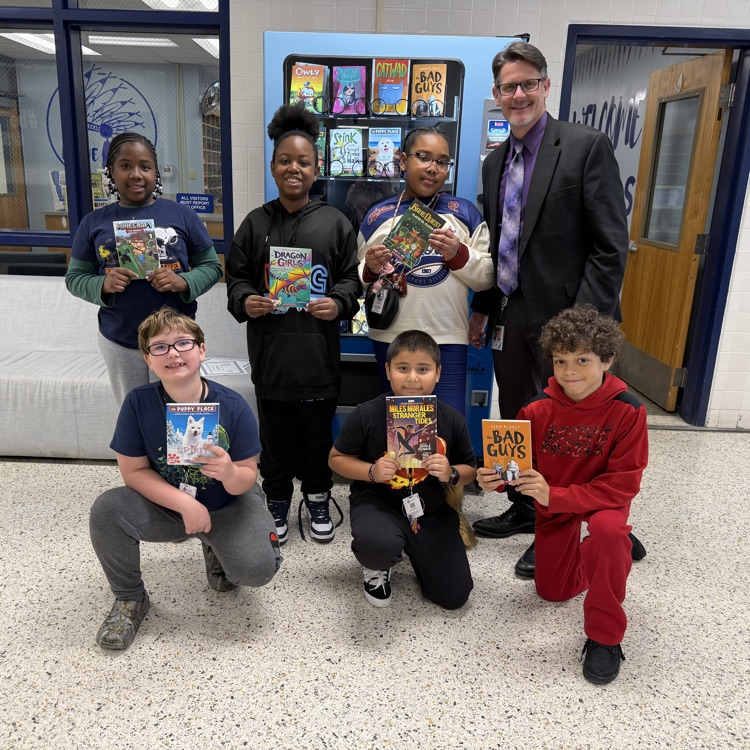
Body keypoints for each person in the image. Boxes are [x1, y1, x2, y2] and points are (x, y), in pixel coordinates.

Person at [469, 42, 631, 572]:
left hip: (569, 321)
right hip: (511, 315)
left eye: (527, 84)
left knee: (563, 430)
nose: (518, 95)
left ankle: (554, 524)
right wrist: (485, 306)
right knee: (520, 414)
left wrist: (582, 334)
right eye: (508, 87)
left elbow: (610, 246)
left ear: (544, 86)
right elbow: (500, 245)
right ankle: (522, 503)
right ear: (496, 96)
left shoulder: (585, 147)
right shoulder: (494, 163)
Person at [89, 308, 281, 651]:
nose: (173, 353)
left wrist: (229, 472)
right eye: (160, 347)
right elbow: (133, 471)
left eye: (183, 343)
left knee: (256, 570)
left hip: (228, 503)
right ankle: (130, 600)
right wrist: (184, 504)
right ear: (148, 360)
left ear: (202, 351)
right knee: (107, 510)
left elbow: (247, 478)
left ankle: (216, 546)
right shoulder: (138, 403)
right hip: (169, 505)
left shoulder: (233, 406)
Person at [477, 305, 647, 684]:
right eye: (560, 360)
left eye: (582, 360)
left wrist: (558, 496)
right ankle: (612, 550)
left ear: (607, 359)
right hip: (553, 502)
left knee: (607, 530)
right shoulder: (536, 409)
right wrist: (496, 479)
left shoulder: (629, 411)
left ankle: (604, 637)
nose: (570, 372)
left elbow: (623, 484)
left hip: (602, 502)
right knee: (552, 592)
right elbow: (514, 466)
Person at [225, 103, 361, 547]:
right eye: (285, 160)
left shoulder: (335, 222)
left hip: (318, 360)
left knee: (317, 439)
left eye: (303, 161)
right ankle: (278, 500)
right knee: (277, 443)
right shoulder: (255, 223)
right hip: (271, 361)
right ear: (272, 166)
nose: (294, 168)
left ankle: (318, 497)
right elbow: (237, 277)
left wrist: (338, 303)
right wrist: (247, 300)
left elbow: (351, 279)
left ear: (317, 168)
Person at [66, 132, 223, 407]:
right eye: (125, 166)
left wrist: (183, 281)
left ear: (156, 172)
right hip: (121, 340)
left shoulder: (182, 215)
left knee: (181, 415)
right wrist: (101, 285)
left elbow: (211, 267)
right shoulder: (94, 223)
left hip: (177, 340)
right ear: (111, 173)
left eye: (145, 166)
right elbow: (75, 278)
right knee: (135, 415)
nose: (136, 174)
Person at [329, 330, 477, 609]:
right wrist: (371, 471)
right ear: (387, 370)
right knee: (377, 544)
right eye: (402, 368)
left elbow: (471, 468)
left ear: (438, 373)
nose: (412, 378)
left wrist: (451, 473)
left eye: (423, 369)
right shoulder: (367, 414)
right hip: (378, 503)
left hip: (430, 509)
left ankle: (418, 550)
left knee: (454, 596)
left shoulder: (451, 419)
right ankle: (377, 566)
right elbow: (336, 459)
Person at [358, 126, 494, 415]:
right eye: (424, 157)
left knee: (447, 426)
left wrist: (458, 254)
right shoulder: (377, 217)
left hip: (447, 337)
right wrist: (370, 269)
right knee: (397, 430)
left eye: (442, 161)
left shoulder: (465, 214)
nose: (433, 168)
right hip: (391, 337)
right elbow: (358, 279)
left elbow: (486, 278)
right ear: (404, 161)